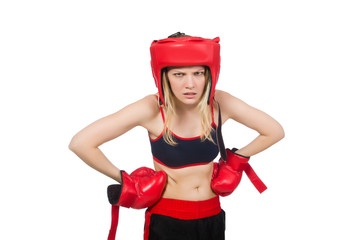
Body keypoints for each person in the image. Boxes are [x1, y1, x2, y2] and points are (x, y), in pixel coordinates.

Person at [69, 32, 285, 240]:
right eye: (179, 74)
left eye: (198, 73)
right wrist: (126, 181)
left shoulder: (220, 104)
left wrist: (235, 161)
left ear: (209, 73)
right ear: (164, 76)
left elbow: (274, 131)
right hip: (168, 219)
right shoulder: (152, 109)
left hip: (212, 215)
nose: (190, 84)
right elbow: (82, 143)